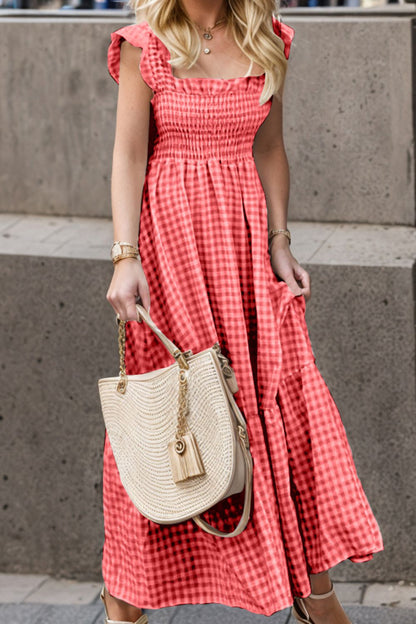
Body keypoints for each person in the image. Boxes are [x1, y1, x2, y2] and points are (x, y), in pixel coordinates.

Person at [100, 1, 384, 623]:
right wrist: (125, 257)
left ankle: (312, 590)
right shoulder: (143, 43)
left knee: (278, 407)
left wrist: (282, 242)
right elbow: (128, 156)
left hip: (248, 252)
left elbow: (271, 150)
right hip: (173, 253)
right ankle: (125, 599)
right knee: (175, 415)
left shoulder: (269, 39)